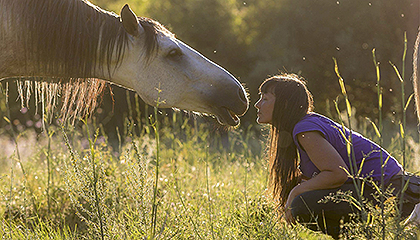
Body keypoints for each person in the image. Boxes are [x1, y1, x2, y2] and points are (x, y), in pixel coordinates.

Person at [254, 73, 420, 239]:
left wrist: (296, 192)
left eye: (265, 99)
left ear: (285, 104)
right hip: (388, 191)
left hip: (394, 193)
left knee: (302, 205)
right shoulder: (304, 126)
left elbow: (338, 174)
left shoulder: (305, 129)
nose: (257, 104)